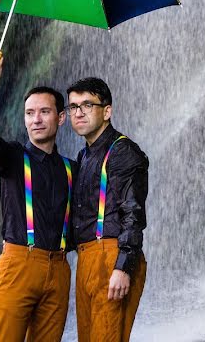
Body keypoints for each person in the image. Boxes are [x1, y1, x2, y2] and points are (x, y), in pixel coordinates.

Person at [0, 58, 74, 342]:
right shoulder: (13, 158)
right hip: (18, 266)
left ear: (61, 117)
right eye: (30, 113)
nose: (37, 119)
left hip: (58, 270)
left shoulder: (72, 169)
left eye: (45, 111)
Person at [67, 77, 149, 342]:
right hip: (87, 259)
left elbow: (133, 213)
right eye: (73, 107)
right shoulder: (84, 156)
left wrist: (123, 266)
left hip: (111, 257)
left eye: (87, 105)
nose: (78, 112)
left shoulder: (122, 151)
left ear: (107, 111)